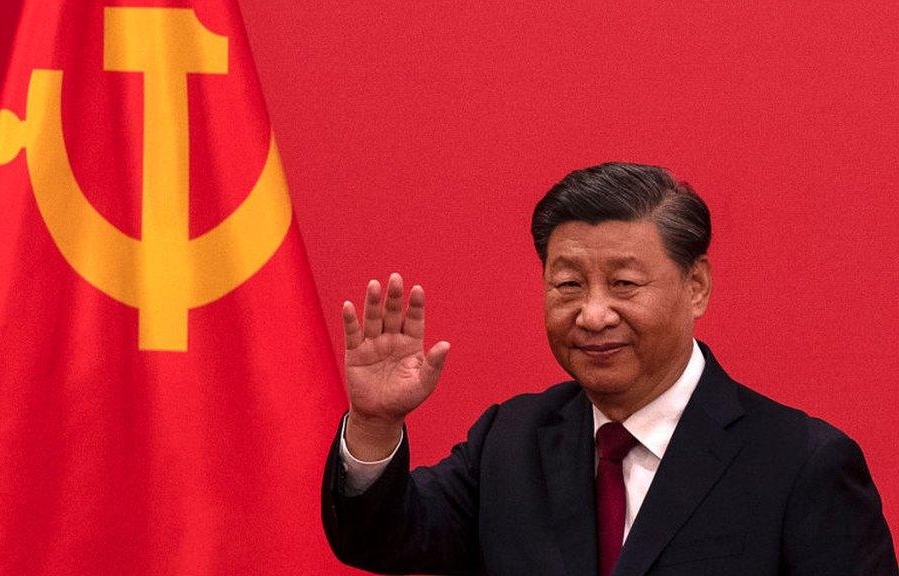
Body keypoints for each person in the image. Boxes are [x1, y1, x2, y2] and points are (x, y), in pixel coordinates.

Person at [320, 163, 898, 576]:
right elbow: (383, 541)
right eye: (568, 285)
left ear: (696, 287)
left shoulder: (802, 462)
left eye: (624, 284)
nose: (593, 315)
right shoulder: (510, 441)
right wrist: (374, 424)